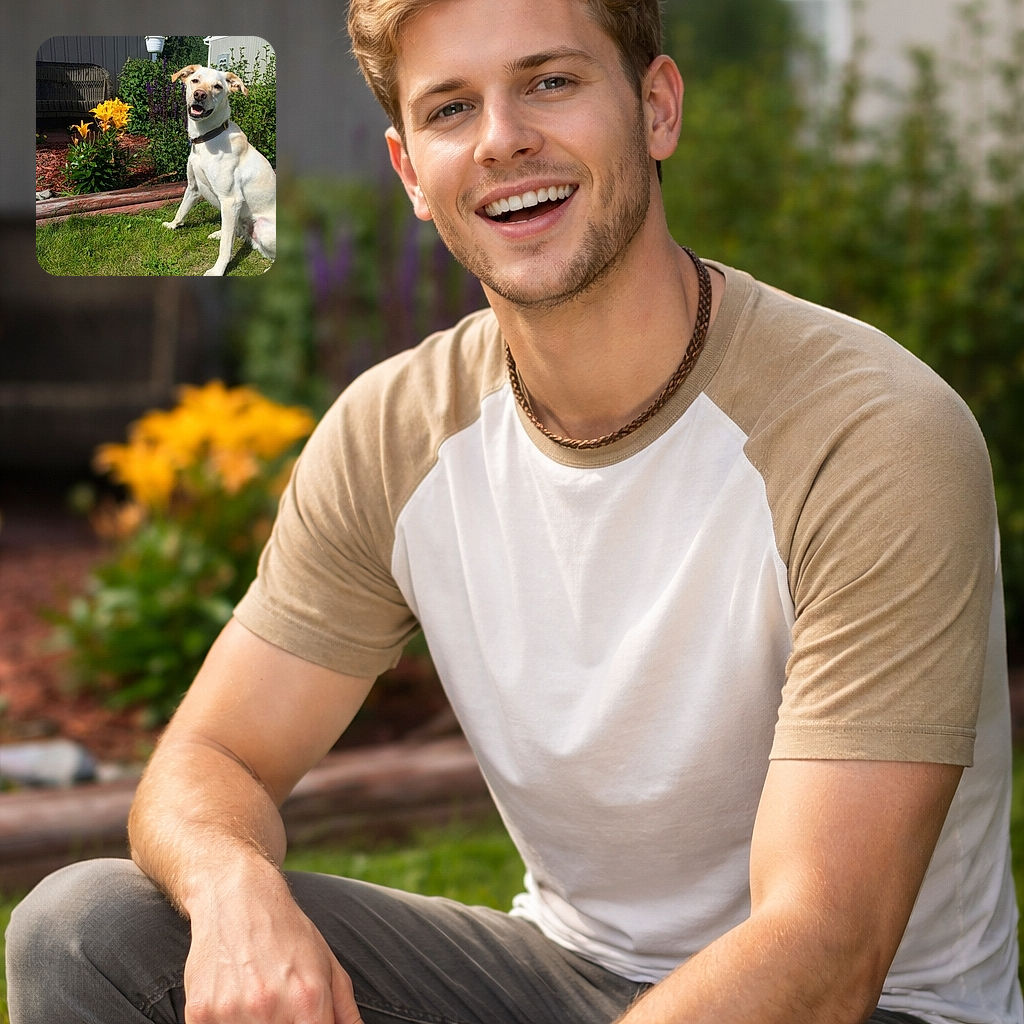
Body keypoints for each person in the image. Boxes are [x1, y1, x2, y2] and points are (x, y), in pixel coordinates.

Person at [6, 0, 1022, 1020]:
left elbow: (824, 945)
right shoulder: (396, 433)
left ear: (656, 108)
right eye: (452, 108)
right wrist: (234, 893)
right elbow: (210, 758)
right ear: (411, 173)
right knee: (89, 929)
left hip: (874, 1005)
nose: (502, 140)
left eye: (550, 81)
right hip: (566, 977)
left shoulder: (870, 434)